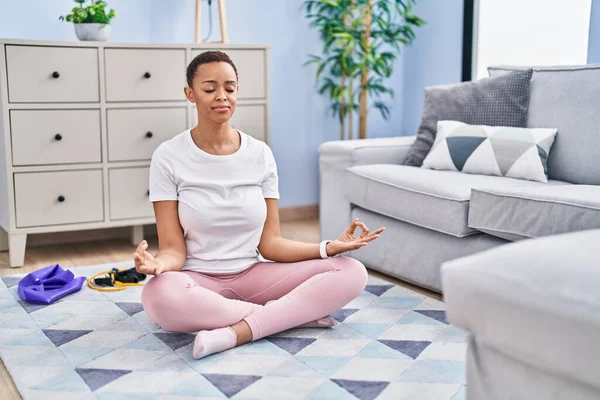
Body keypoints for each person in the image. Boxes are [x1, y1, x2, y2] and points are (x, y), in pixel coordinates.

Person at [134, 51, 385, 360]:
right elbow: (173, 248)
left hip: (254, 275)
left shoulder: (260, 154)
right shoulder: (168, 156)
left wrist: (327, 248)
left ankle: (236, 333)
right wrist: (158, 265)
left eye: (230, 87)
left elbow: (271, 244)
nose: (221, 96)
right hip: (197, 280)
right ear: (190, 94)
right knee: (158, 296)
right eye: (209, 89)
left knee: (352, 271)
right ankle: (293, 317)